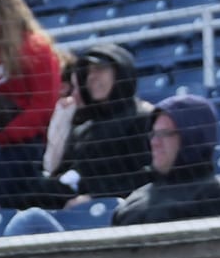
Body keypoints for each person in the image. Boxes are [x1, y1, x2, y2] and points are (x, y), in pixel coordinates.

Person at [23, 43, 156, 209]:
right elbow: (66, 175)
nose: (92, 77)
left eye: (100, 69)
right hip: (75, 206)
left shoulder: (143, 119)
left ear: (121, 73)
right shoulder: (83, 129)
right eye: (88, 72)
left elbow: (146, 175)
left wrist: (95, 197)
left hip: (123, 208)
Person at [111, 95, 220, 226]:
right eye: (153, 134)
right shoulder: (132, 204)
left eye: (165, 134)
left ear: (193, 137)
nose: (154, 142)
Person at [0, 0, 60, 182]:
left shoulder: (35, 48)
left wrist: (3, 137)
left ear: (4, 16)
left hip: (26, 147)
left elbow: (44, 105)